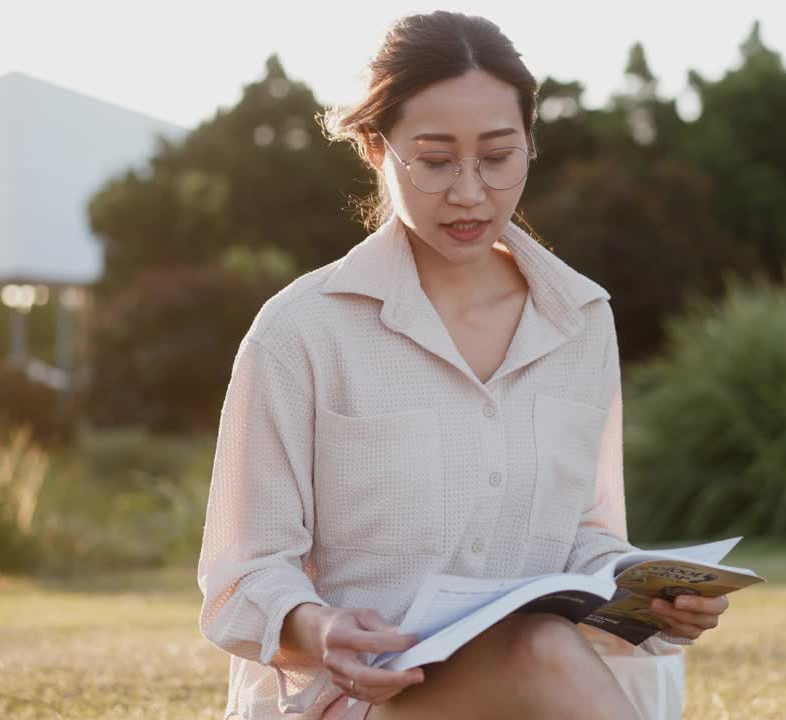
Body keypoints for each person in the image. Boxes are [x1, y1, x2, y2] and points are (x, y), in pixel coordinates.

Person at [196, 11, 728, 720]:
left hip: (544, 688)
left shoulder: (582, 322)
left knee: (543, 648)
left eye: (499, 157)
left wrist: (652, 595)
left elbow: (586, 534)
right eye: (437, 159)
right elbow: (241, 575)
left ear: (531, 146)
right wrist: (320, 630)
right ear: (374, 148)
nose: (471, 192)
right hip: (366, 701)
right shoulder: (300, 331)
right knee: (543, 650)